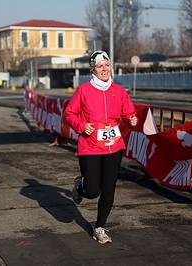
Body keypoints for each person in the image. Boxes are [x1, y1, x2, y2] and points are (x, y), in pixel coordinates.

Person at [63, 50, 138, 244]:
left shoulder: (119, 91)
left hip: (114, 145)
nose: (104, 69)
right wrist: (81, 126)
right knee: (93, 190)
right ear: (93, 69)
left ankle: (99, 228)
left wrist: (131, 119)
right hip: (90, 145)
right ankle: (81, 188)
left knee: (109, 188)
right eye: (100, 66)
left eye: (106, 65)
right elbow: (69, 114)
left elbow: (129, 112)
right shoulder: (84, 90)